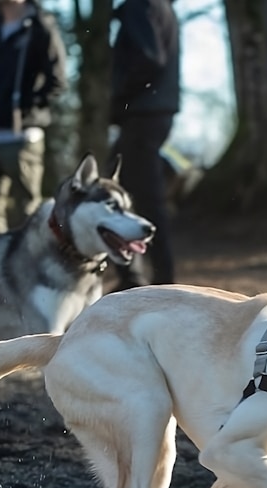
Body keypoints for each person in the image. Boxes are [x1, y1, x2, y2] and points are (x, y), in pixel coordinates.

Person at [0, 0, 67, 233]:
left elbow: (58, 80)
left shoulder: (41, 27)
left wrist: (26, 110)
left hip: (21, 137)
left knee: (28, 217)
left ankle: (25, 270)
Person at [109, 0, 181, 288]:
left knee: (134, 196)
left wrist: (120, 99)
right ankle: (137, 275)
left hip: (144, 111)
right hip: (153, 109)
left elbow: (148, 58)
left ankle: (159, 278)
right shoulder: (157, 6)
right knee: (128, 191)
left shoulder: (141, 5)